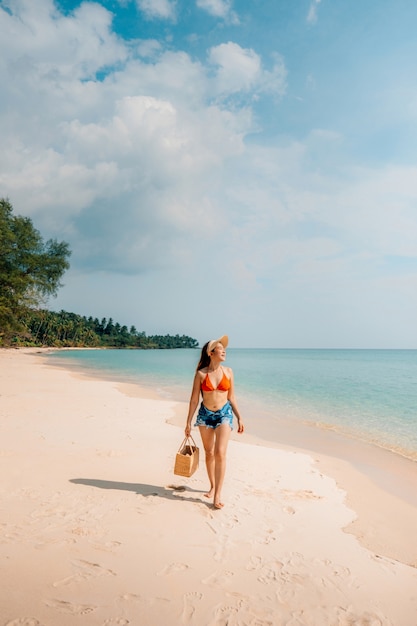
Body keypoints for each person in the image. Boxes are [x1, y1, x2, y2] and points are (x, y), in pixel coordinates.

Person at [185, 335, 244, 509]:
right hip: (205, 415)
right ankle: (212, 486)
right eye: (220, 348)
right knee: (209, 452)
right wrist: (188, 423)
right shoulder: (201, 374)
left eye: (224, 348)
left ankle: (217, 495)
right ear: (211, 353)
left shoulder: (229, 372)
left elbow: (232, 397)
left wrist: (239, 416)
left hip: (224, 414)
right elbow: (194, 400)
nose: (224, 350)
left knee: (220, 452)